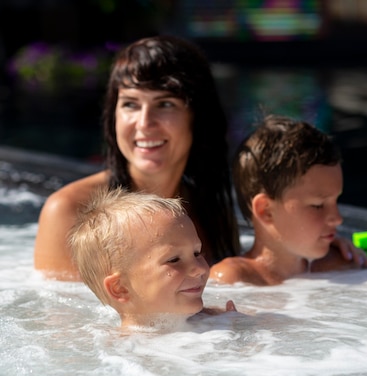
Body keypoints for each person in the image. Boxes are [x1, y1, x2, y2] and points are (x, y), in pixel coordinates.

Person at [34, 35, 240, 281]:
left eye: (165, 104)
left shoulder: (210, 208)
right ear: (114, 115)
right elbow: (62, 316)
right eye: (131, 104)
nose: (144, 123)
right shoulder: (71, 212)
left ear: (198, 117)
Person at [209, 114, 367, 289]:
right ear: (266, 211)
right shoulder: (231, 278)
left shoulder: (337, 265)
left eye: (336, 201)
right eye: (318, 205)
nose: (337, 218)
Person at [68, 187, 236, 329]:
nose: (199, 269)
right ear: (120, 288)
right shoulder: (127, 352)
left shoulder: (214, 318)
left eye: (196, 253)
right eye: (174, 260)